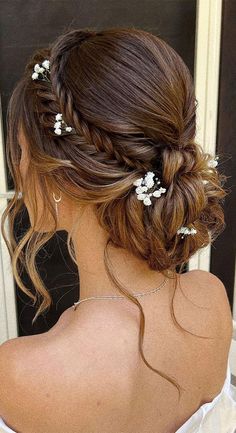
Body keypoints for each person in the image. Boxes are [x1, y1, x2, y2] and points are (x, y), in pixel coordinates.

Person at [0, 27, 235, 433]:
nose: (16, 167)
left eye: (20, 151)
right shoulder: (211, 300)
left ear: (64, 177)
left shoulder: (21, 373)